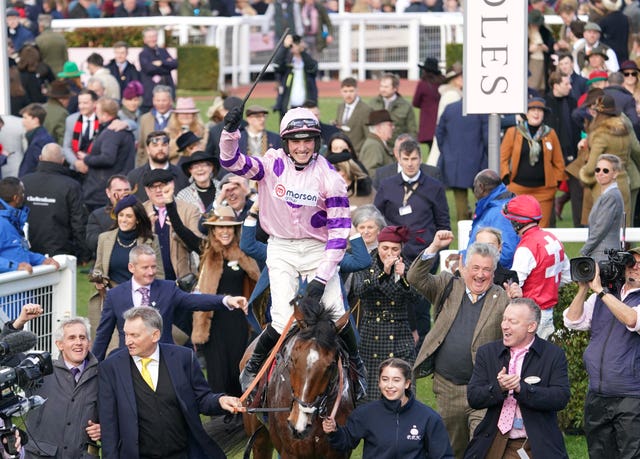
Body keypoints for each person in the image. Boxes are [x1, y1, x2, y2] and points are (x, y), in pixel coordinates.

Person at [220, 105, 367, 398]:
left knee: (337, 315)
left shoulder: (331, 178)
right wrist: (230, 132)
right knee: (281, 318)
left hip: (318, 249)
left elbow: (339, 236)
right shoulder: (270, 163)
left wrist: (322, 278)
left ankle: (357, 366)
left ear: (316, 142)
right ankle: (255, 364)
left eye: (308, 140)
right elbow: (231, 162)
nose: (302, 147)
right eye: (295, 141)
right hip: (281, 247)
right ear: (286, 142)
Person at [407, 232, 522, 459]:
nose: (480, 275)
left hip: (483, 388)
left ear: (494, 272)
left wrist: (517, 302)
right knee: (452, 449)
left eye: (487, 270)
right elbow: (414, 278)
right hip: (448, 387)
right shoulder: (447, 285)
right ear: (464, 266)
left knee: (481, 447)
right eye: (475, 268)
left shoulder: (502, 297)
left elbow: (520, 332)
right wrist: (435, 246)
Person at [98, 306, 242, 459]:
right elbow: (109, 425)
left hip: (183, 454)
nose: (128, 341)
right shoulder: (111, 368)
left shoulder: (183, 358)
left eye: (134, 335)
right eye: (126, 334)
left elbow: (201, 399)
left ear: (155, 335)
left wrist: (220, 400)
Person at [92, 244, 246, 361]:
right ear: (131, 267)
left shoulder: (168, 288)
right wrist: (91, 367)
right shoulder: (115, 295)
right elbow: (103, 335)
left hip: (163, 360)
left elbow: (194, 300)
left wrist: (226, 300)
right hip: (128, 361)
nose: (151, 272)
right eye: (145, 268)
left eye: (153, 267)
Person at [465, 298, 570, 459]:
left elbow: (560, 398)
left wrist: (523, 389)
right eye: (504, 319)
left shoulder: (552, 355)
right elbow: (474, 397)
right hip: (494, 437)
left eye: (512, 321)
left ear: (531, 327)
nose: (504, 325)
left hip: (534, 441)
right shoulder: (487, 353)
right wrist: (499, 387)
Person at [564, 246, 640, 458]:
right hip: (597, 394)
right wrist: (583, 288)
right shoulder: (603, 296)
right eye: (632, 264)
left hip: (632, 396)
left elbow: (632, 319)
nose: (635, 269)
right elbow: (572, 320)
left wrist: (601, 291)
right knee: (599, 454)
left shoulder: (605, 295)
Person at [322, 357, 454, 459]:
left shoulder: (428, 417)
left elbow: (443, 455)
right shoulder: (365, 414)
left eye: (396, 380)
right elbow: (345, 442)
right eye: (385, 379)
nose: (389, 385)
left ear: (407, 383)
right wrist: (334, 431)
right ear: (379, 382)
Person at [191, 206, 260, 395]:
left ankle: (239, 416)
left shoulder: (244, 254)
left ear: (235, 230)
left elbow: (258, 281)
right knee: (216, 372)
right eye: (220, 227)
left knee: (236, 368)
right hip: (213, 322)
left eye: (229, 227)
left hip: (238, 322)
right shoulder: (208, 256)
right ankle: (220, 417)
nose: (225, 231)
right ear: (213, 231)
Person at [351, 226, 419, 401]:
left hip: (400, 333)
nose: (389, 253)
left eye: (395, 249)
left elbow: (417, 298)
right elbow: (360, 291)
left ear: (401, 249)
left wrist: (403, 278)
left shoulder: (407, 266)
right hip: (372, 331)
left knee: (401, 388)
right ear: (378, 246)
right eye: (385, 248)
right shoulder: (366, 263)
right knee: (371, 391)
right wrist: (384, 273)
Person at [90, 194, 163, 344]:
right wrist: (98, 279)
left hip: (141, 298)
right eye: (120, 215)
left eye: (129, 216)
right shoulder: (105, 238)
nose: (123, 219)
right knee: (113, 344)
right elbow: (98, 268)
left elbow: (159, 274)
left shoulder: (151, 240)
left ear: (137, 219)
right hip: (114, 297)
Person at [25, 317, 101, 459]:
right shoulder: (40, 372)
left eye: (82, 337)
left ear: (89, 343)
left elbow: (115, 417)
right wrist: (19, 323)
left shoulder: (102, 376)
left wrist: (103, 430)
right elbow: (9, 356)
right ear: (59, 344)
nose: (78, 342)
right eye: (72, 338)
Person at [502, 195, 571, 340]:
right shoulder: (552, 239)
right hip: (547, 313)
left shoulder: (526, 248)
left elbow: (514, 286)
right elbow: (567, 276)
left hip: (529, 316)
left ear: (516, 222)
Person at [499, 97, 566, 228]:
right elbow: (503, 158)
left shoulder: (550, 133)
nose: (536, 113)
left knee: (541, 228)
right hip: (517, 188)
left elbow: (558, 162)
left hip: (544, 191)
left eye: (540, 110)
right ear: (526, 113)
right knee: (516, 227)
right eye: (532, 110)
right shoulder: (513, 132)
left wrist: (555, 183)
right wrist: (507, 179)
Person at [22, 143, 89, 262]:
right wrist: (83, 253)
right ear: (62, 161)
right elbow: (78, 222)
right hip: (59, 251)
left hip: (29, 249)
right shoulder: (71, 185)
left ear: (40, 158)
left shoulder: (24, 182)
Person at [78, 97, 135, 212]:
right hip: (114, 186)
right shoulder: (122, 131)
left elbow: (108, 158)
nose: (95, 112)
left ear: (104, 114)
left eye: (97, 110)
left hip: (101, 192)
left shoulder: (112, 132)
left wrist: (87, 158)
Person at [436, 98, 489, 221]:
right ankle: (480, 225)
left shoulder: (450, 108)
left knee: (460, 201)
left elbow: (439, 133)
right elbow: (487, 137)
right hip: (478, 160)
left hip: (454, 161)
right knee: (483, 199)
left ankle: (463, 230)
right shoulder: (481, 110)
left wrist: (447, 152)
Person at [0, 177, 60, 274]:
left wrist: (42, 260)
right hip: (7, 286)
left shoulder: (12, 221)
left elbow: (18, 252)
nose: (25, 196)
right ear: (16, 198)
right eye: (22, 193)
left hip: (19, 284)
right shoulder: (2, 223)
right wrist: (15, 266)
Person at [468, 169, 518, 269]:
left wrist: (477, 265)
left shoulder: (499, 213)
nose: (474, 191)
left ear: (481, 187)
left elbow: (507, 253)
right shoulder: (493, 205)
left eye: (474, 187)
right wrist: (462, 255)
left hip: (488, 277)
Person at [581, 154, 625, 262]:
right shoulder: (607, 195)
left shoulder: (611, 196)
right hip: (602, 254)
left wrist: (584, 251)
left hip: (605, 256)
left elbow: (600, 229)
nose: (600, 173)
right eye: (597, 169)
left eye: (605, 170)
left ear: (615, 173)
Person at [128, 131, 189, 201]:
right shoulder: (134, 177)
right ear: (148, 149)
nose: (160, 148)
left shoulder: (182, 175)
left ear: (169, 147)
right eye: (155, 145)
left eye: (164, 144)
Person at [273, 34, 318, 120]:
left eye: (297, 43)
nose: (295, 46)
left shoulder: (308, 60)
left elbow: (313, 68)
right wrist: (285, 47)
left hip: (307, 107)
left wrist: (302, 51)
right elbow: (276, 65)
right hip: (288, 106)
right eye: (293, 44)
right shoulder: (287, 63)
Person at [86, 175, 132, 258]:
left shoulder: (140, 212)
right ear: (108, 192)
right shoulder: (97, 216)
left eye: (126, 190)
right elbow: (92, 243)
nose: (123, 194)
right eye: (118, 190)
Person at [370, 73, 417, 148]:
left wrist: (409, 147)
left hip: (397, 148)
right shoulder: (372, 104)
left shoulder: (406, 106)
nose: (382, 89)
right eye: (381, 86)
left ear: (395, 88)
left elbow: (412, 130)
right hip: (376, 147)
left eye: (386, 87)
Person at [138, 28, 178, 114]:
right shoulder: (143, 54)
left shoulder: (162, 51)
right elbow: (149, 69)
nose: (152, 39)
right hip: (150, 96)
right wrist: (166, 65)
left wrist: (161, 63)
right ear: (145, 39)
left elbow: (175, 64)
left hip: (167, 89)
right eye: (150, 37)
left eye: (154, 36)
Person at [136, 85, 174, 167]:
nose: (161, 103)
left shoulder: (177, 118)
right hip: (148, 166)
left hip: (171, 165)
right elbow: (141, 146)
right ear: (153, 101)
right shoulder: (144, 119)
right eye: (158, 100)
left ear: (171, 101)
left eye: (164, 100)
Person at [412, 57, 445, 150]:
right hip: (442, 120)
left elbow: (415, 102)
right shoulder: (443, 82)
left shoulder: (422, 84)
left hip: (428, 126)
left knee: (431, 151)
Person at [336, 77, 373, 154]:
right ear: (341, 92)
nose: (348, 94)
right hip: (341, 153)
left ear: (357, 91)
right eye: (345, 91)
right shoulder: (340, 107)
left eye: (351, 91)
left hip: (357, 154)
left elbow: (368, 136)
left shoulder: (366, 109)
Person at [18, 103, 55, 178]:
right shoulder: (38, 137)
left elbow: (42, 167)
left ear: (35, 120)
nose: (22, 122)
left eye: (25, 118)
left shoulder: (40, 141)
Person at [167, 97, 207, 164]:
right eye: (182, 113)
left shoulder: (204, 132)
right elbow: (165, 154)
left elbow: (207, 152)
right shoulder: (168, 132)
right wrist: (177, 142)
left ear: (194, 115)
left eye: (189, 113)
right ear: (176, 116)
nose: (185, 115)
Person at [359, 109, 395, 176]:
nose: (393, 127)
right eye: (390, 125)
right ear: (379, 128)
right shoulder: (373, 146)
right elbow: (370, 173)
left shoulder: (377, 143)